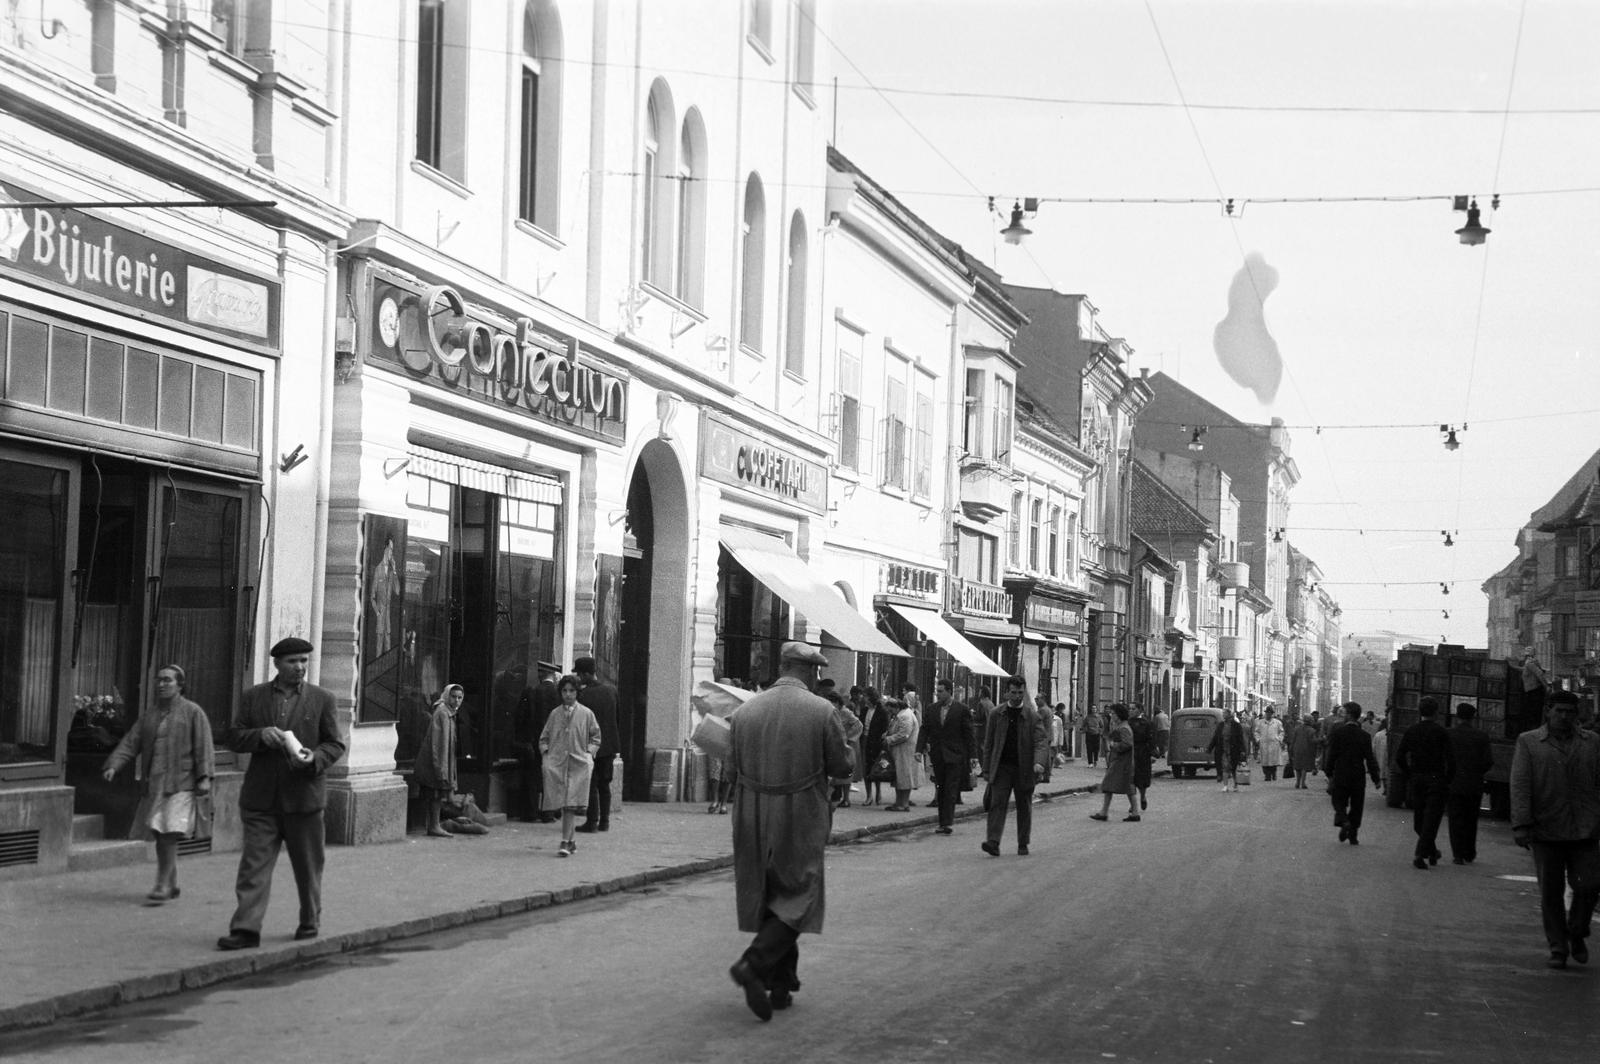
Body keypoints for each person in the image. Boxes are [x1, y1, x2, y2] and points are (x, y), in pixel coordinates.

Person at [727, 641, 851, 1020]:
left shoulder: (746, 709)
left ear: (781, 666)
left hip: (750, 809)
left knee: (769, 892)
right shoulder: (821, 710)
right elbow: (841, 766)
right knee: (799, 892)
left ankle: (781, 986)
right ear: (810, 671)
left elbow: (730, 767)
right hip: (799, 811)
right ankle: (754, 963)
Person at [217, 637, 345, 950]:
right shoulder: (254, 697)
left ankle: (309, 918)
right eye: (293, 661)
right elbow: (233, 737)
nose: (300, 667)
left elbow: (335, 744)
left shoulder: (322, 699)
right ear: (277, 663)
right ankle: (246, 929)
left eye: (304, 661)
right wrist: (260, 735)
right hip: (262, 799)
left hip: (304, 798)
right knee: (253, 866)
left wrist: (314, 758)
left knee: (308, 866)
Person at [101, 664, 215, 904]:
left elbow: (204, 746)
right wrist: (114, 765)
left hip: (182, 782)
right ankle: (171, 883)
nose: (162, 684)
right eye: (159, 680)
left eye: (168, 680)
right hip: (155, 782)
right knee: (158, 829)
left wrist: (204, 777)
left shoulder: (193, 712)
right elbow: (131, 741)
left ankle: (162, 884)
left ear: (180, 685)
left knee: (168, 832)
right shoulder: (151, 715)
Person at [1510, 689, 1600, 969]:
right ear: (1548, 711)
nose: (1564, 716)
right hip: (1545, 828)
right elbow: (1521, 783)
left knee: (1590, 885)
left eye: (1569, 712)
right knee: (1551, 891)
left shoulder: (1592, 742)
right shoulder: (1529, 742)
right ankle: (1558, 947)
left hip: (1585, 828)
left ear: (1577, 715)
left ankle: (1577, 930)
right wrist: (1521, 824)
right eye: (1558, 711)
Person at [980, 676, 1049, 856]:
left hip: (1024, 768)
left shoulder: (1032, 716)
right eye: (1013, 692)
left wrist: (1039, 762)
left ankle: (1023, 843)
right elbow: (989, 743)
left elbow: (1041, 741)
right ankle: (993, 842)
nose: (1017, 696)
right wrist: (986, 768)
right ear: (1006, 692)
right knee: (997, 804)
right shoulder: (996, 714)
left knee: (1024, 806)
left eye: (1020, 692)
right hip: (1001, 767)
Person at [540, 674, 601, 857]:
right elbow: (544, 738)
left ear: (577, 692)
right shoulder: (555, 714)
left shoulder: (586, 714)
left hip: (578, 763)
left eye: (572, 691)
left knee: (569, 805)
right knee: (566, 803)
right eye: (565, 691)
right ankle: (571, 841)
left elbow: (596, 737)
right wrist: (546, 756)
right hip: (558, 763)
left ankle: (565, 842)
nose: (568, 694)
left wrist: (589, 753)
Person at [1395, 696, 1455, 870]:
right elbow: (1451, 760)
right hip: (1436, 779)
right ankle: (1422, 854)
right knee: (1432, 819)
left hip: (1417, 779)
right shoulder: (1442, 732)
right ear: (1436, 712)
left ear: (1418, 712)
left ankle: (1429, 851)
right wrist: (1448, 779)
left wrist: (1409, 773)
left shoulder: (1411, 731)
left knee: (1419, 821)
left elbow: (1399, 757)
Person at [918, 678, 977, 835]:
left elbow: (969, 734)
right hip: (938, 755)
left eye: (941, 691)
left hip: (955, 755)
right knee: (941, 787)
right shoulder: (932, 709)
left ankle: (947, 822)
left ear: (949, 691)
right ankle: (942, 821)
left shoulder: (961, 709)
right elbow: (925, 730)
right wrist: (919, 749)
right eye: (937, 691)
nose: (938, 694)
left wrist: (973, 755)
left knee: (951, 788)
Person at [1323, 701, 1381, 845]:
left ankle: (1343, 820)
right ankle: (1353, 834)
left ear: (1349, 715)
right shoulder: (1365, 736)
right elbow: (1370, 759)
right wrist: (1376, 778)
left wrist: (1329, 772)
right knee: (1357, 805)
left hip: (1341, 773)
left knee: (1338, 800)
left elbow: (1331, 755)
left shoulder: (1338, 733)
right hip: (1358, 775)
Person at [574, 656, 620, 834]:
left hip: (591, 747)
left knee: (592, 784)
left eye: (579, 673)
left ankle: (591, 822)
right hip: (609, 745)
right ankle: (605, 822)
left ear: (586, 674)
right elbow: (617, 718)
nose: (578, 677)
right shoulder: (611, 690)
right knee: (605, 784)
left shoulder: (584, 695)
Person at [1446, 702, 1496, 864]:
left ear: (1456, 716)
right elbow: (1488, 761)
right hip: (1474, 784)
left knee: (1455, 819)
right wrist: (1477, 772)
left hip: (1453, 783)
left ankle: (1458, 854)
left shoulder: (1449, 734)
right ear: (1473, 717)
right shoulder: (1482, 736)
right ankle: (1469, 852)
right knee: (1470, 819)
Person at [414, 683, 463, 838]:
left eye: (460, 698)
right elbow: (437, 743)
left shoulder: (448, 712)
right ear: (447, 696)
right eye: (453, 697)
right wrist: (440, 767)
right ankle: (434, 826)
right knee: (435, 793)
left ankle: (434, 825)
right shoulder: (442, 712)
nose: (456, 701)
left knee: (437, 794)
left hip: (441, 759)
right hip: (436, 760)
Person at [1091, 704, 1140, 821]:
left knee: (1111, 785)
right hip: (1121, 762)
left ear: (1118, 715)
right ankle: (1133, 812)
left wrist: (1114, 745)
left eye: (1113, 713)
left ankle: (1106, 812)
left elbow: (1127, 744)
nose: (1112, 715)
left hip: (1122, 762)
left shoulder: (1123, 728)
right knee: (1123, 787)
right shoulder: (1122, 726)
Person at [821, 690, 862, 808]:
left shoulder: (845, 712)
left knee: (846, 772)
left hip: (847, 745)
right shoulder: (830, 712)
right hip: (836, 744)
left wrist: (848, 737)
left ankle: (846, 798)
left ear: (837, 702)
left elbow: (858, 725)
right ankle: (836, 797)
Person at [880, 696, 920, 812]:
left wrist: (888, 739)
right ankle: (899, 802)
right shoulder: (901, 715)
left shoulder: (904, 716)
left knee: (904, 778)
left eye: (890, 710)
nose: (890, 713)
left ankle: (903, 803)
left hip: (904, 751)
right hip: (900, 751)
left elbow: (904, 734)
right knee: (900, 778)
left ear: (896, 707)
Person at [858, 687, 889, 807]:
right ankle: (869, 795)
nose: (863, 698)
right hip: (865, 740)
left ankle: (879, 793)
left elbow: (885, 727)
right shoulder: (864, 710)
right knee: (866, 769)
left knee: (876, 768)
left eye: (865, 695)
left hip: (876, 742)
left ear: (871, 697)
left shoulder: (882, 711)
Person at [1208, 707, 1248, 792]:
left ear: (1229, 714)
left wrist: (1243, 750)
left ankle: (1235, 785)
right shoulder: (1221, 725)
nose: (1223, 715)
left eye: (1225, 713)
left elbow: (1240, 738)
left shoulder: (1236, 725)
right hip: (1223, 749)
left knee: (1234, 768)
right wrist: (1210, 748)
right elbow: (1215, 737)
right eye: (1223, 713)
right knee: (1224, 768)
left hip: (1233, 750)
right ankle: (1225, 786)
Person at [1128, 706, 1153, 812]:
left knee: (1142, 779)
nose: (1131, 711)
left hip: (1143, 753)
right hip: (1130, 752)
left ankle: (1142, 796)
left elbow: (1151, 738)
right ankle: (1133, 804)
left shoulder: (1146, 723)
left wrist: (1151, 752)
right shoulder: (1127, 722)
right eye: (1130, 709)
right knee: (1130, 779)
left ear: (1139, 710)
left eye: (1133, 709)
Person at [1288, 712, 1319, 789]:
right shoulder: (1312, 730)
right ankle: (1303, 783)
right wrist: (1321, 739)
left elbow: (1293, 739)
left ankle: (1297, 783)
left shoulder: (1297, 728)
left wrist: (1291, 749)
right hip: (1307, 749)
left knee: (1298, 766)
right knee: (1304, 767)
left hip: (1297, 748)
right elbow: (1313, 741)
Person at [1257, 707, 1284, 782]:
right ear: (1265, 713)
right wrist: (1258, 739)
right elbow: (1256, 732)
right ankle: (1267, 775)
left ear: (1272, 714)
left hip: (1274, 744)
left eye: (1270, 713)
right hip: (1264, 743)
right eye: (1267, 713)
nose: (1268, 714)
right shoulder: (1260, 722)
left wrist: (1279, 739)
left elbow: (1281, 732)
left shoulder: (1277, 722)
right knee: (1264, 760)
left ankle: (1273, 773)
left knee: (1273, 760)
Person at [1372, 720, 1391, 795]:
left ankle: (1386, 788)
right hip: (1385, 757)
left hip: (1380, 757)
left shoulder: (1378, 735)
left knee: (1382, 772)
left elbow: (1373, 749)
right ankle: (1387, 788)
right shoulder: (1381, 735)